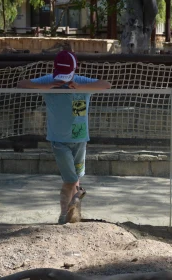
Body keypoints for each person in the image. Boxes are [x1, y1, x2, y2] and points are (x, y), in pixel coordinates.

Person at [17, 50, 111, 224]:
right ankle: (63, 218)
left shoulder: (81, 81)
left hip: (80, 138)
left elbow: (106, 84)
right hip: (59, 140)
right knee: (71, 180)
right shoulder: (48, 80)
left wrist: (81, 88)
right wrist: (44, 87)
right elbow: (21, 83)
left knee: (76, 178)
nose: (62, 81)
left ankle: (73, 216)